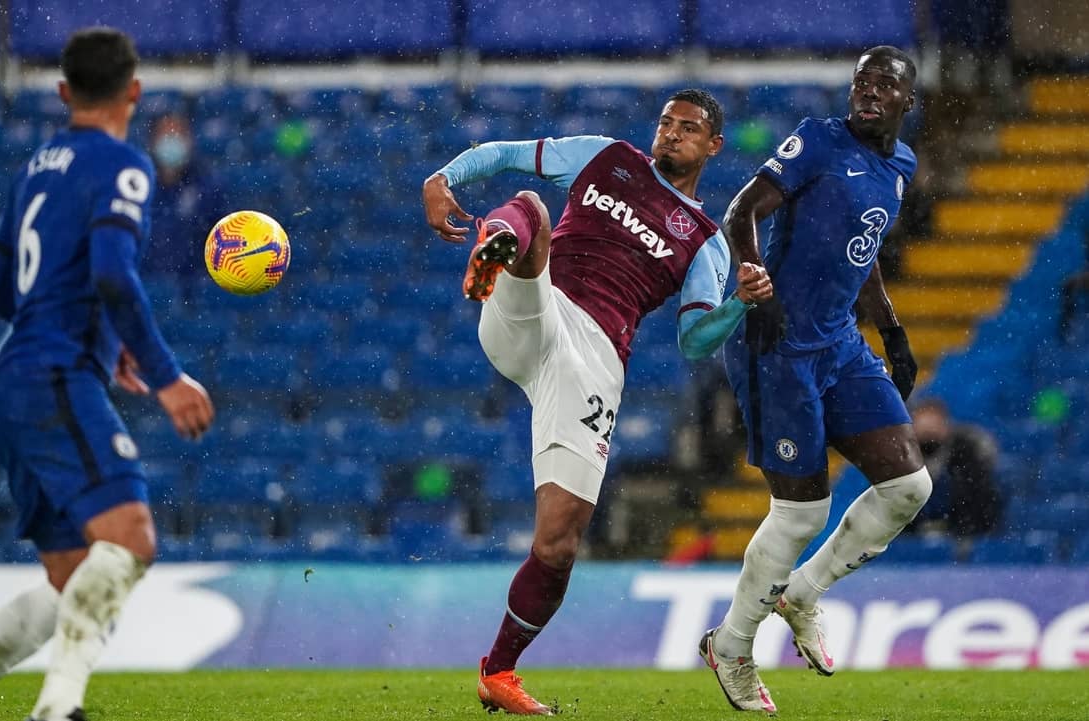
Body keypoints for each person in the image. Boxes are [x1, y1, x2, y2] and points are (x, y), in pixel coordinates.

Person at [0, 27, 214, 721]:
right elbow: (113, 277)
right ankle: (57, 709)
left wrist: (95, 341)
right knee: (130, 537)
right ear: (134, 90)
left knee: (73, 580)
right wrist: (165, 375)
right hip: (54, 372)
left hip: (10, 370)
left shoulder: (36, 167)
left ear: (64, 92)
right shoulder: (125, 167)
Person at [423, 89, 774, 715]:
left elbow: (695, 340)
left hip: (594, 364)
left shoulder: (706, 240)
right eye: (665, 122)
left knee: (558, 544)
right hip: (540, 306)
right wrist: (443, 176)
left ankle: (498, 672)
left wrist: (738, 305)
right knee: (529, 207)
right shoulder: (605, 157)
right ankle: (493, 248)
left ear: (714, 145)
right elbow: (506, 154)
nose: (671, 134)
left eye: (688, 128)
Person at [699, 46, 931, 714]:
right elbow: (741, 210)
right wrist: (755, 282)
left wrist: (891, 331)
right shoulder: (819, 141)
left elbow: (864, 251)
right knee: (802, 510)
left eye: (884, 84)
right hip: (777, 345)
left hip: (839, 343)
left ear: (905, 102)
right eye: (862, 80)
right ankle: (734, 645)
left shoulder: (900, 165)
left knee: (909, 485)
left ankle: (802, 592)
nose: (868, 91)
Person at [146, 112, 226, 283]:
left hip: (195, 287)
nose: (171, 139)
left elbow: (222, 241)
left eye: (177, 133)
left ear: (189, 140)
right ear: (153, 141)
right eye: (166, 134)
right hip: (147, 286)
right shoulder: (140, 185)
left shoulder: (207, 186)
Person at [910, 397, 1001, 539]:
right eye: (924, 429)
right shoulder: (903, 461)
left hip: (963, 535)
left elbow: (980, 502)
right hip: (912, 538)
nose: (929, 433)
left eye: (933, 427)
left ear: (946, 427)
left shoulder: (965, 459)